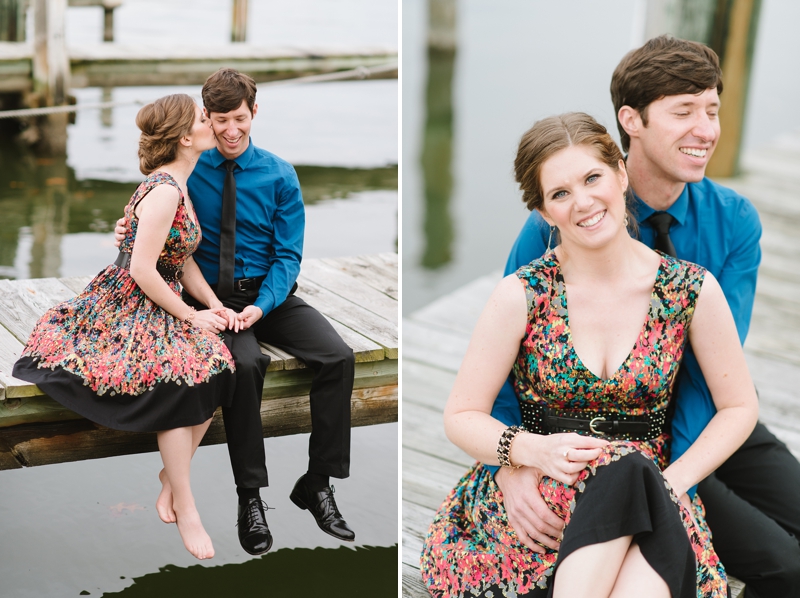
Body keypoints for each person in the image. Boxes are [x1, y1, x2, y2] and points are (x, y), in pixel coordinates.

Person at [489, 36, 800, 597]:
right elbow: (507, 364)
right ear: (630, 121)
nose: (706, 129)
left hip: (700, 418)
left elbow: (712, 380)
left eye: (712, 110)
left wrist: (673, 478)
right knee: (784, 567)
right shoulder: (559, 225)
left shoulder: (733, 222)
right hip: (605, 436)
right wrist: (511, 466)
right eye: (684, 112)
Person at [420, 112, 758, 598]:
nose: (582, 202)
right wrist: (529, 452)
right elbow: (461, 415)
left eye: (592, 178)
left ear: (621, 175)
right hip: (542, 498)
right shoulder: (521, 294)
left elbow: (739, 406)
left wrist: (673, 484)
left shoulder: (691, 289)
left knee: (631, 474)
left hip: (655, 495)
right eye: (560, 193)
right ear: (542, 211)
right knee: (627, 479)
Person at [115, 68, 356, 555]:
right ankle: (251, 497)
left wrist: (262, 306)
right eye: (220, 119)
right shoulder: (188, 166)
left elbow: (289, 257)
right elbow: (148, 219)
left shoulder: (280, 174)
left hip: (269, 295)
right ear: (205, 118)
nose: (230, 130)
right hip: (208, 299)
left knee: (339, 356)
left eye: (239, 118)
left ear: (254, 113)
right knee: (245, 364)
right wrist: (126, 228)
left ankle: (318, 482)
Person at [13, 94, 238, 560]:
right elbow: (141, 270)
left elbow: (182, 255)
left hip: (162, 293)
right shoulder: (165, 190)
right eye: (203, 119)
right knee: (182, 377)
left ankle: (168, 478)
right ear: (184, 137)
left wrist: (213, 304)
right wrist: (190, 315)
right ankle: (186, 501)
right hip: (130, 300)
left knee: (220, 363)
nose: (211, 124)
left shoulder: (181, 181)